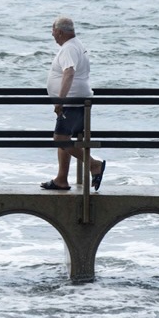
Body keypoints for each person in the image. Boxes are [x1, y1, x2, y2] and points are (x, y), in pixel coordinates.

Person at [41, 16, 106, 191]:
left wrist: (60, 100)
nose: (52, 35)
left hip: (72, 102)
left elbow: (69, 73)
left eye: (53, 31)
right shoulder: (76, 45)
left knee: (60, 139)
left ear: (60, 32)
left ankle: (94, 165)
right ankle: (61, 179)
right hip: (77, 102)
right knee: (65, 139)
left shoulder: (69, 48)